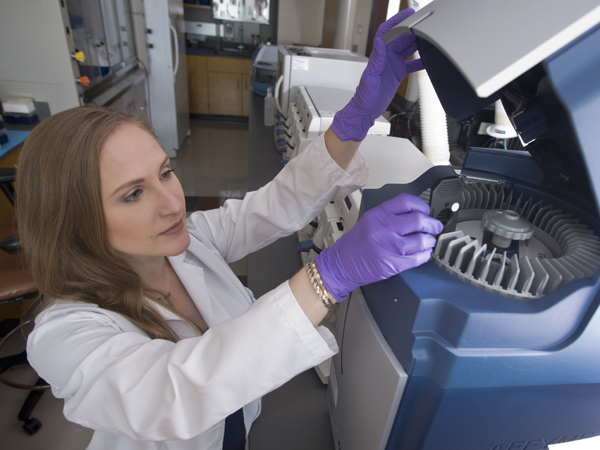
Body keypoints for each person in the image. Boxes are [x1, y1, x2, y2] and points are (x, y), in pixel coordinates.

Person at [17, 9, 442, 450]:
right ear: (73, 220)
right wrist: (327, 277)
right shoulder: (64, 334)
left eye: (165, 173)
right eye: (132, 194)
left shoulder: (188, 243)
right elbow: (176, 393)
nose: (172, 203)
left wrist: (356, 117)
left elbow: (274, 205)